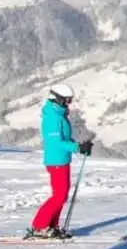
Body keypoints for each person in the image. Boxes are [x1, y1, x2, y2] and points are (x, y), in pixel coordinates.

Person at [28, 83, 93, 239]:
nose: (68, 103)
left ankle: (51, 225)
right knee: (59, 196)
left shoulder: (59, 114)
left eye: (69, 100)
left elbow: (64, 138)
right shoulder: (52, 117)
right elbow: (56, 142)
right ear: (57, 98)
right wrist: (77, 148)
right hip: (56, 160)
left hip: (62, 159)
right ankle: (40, 225)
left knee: (61, 195)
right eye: (66, 100)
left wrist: (79, 145)